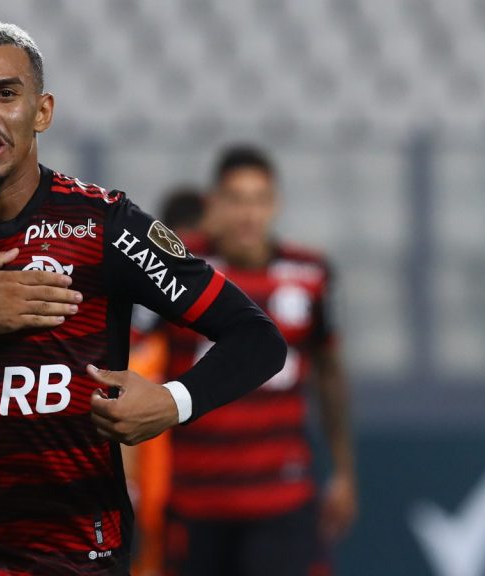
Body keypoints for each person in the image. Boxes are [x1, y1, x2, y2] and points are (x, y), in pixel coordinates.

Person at [0, 22, 286, 576]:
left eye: (5, 92)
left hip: (79, 558)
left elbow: (258, 338)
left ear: (42, 111)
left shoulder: (104, 224)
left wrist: (172, 402)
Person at [131, 146, 358, 576]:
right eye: (236, 199)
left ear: (275, 204)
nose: (248, 214)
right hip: (196, 499)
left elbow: (330, 373)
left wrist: (344, 471)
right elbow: (126, 349)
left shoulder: (311, 273)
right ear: (213, 204)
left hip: (281, 499)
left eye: (258, 200)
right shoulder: (179, 268)